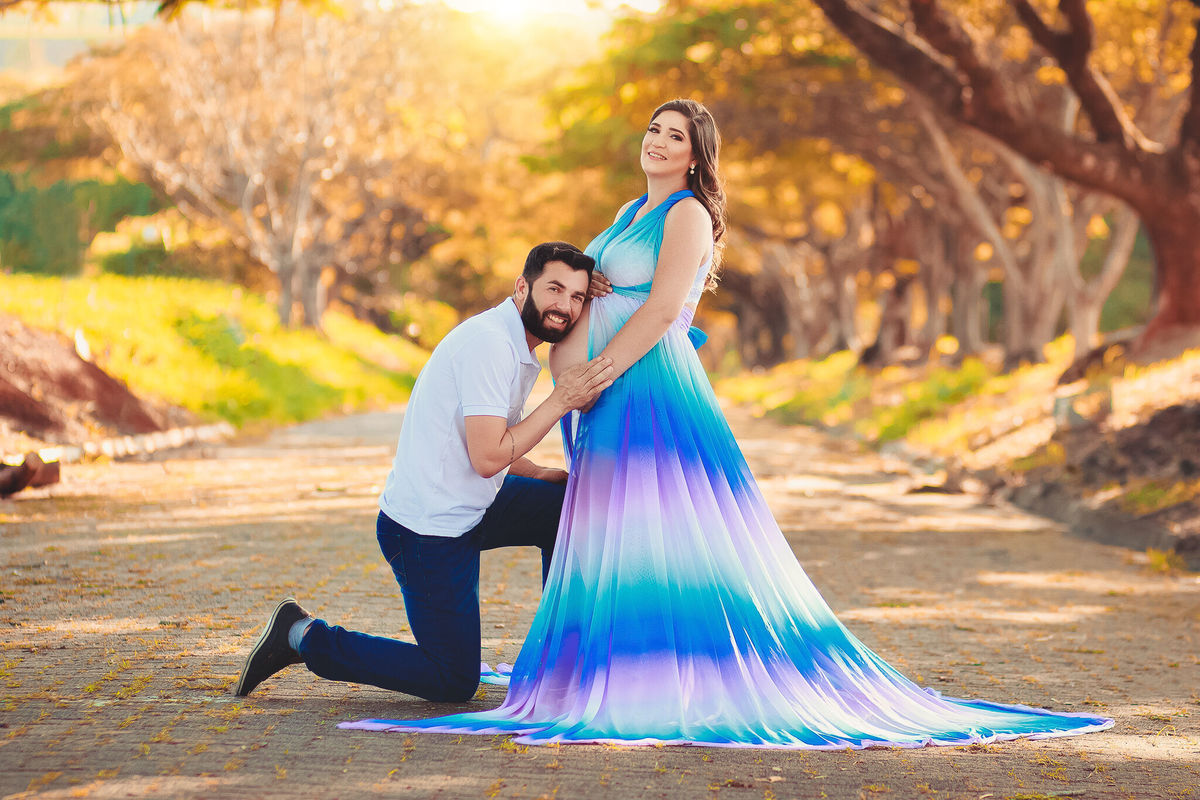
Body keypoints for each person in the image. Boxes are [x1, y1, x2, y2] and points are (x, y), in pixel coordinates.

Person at [340, 100, 1113, 748]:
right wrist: (573, 386)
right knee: (598, 520)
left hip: (645, 389)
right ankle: (590, 658)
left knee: (661, 527)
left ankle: (652, 665)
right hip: (594, 398)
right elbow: (588, 295)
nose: (658, 141)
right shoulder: (626, 210)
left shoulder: (688, 216)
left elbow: (665, 311)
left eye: (675, 135)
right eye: (653, 128)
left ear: (695, 155)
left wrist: (596, 376)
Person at [234, 241, 613, 701]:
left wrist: (536, 473)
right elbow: (488, 456)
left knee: (563, 507)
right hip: (425, 531)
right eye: (554, 289)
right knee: (452, 681)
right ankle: (301, 635)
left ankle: (561, 657)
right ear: (521, 287)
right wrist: (561, 400)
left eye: (576, 297)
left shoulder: (517, 342)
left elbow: (483, 440)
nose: (565, 306)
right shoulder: (490, 344)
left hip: (475, 505)